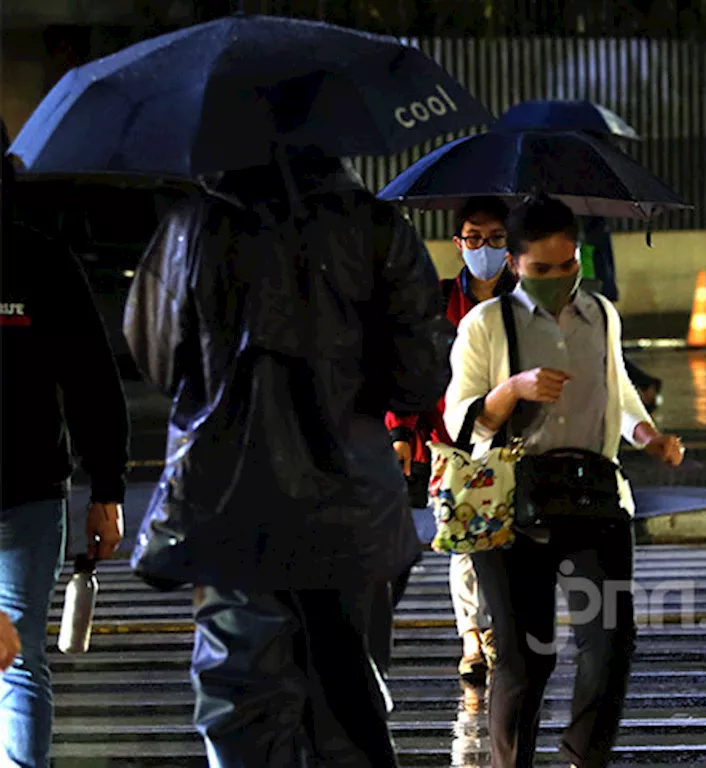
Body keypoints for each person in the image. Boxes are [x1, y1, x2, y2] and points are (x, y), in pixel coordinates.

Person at [124, 153, 455, 765]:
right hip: (355, 508)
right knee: (346, 705)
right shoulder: (376, 226)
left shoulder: (192, 225)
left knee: (242, 703)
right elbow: (419, 376)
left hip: (228, 505)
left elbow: (156, 356)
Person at [444, 194, 685, 768]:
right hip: (509, 506)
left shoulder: (600, 313)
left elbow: (618, 389)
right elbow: (459, 417)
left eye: (568, 265)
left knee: (609, 647)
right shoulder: (485, 324)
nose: (558, 279)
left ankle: (583, 757)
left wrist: (649, 437)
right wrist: (513, 389)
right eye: (541, 269)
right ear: (515, 264)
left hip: (594, 495)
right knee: (527, 660)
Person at [1, 119, 130, 767]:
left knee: (17, 651)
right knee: (18, 654)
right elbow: (92, 384)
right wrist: (105, 491)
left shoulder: (42, 263)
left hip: (29, 492)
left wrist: (106, 488)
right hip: (32, 487)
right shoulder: (43, 259)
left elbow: (90, 383)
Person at [386, 196, 516, 684]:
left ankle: (499, 626)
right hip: (451, 436)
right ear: (459, 243)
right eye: (475, 238)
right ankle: (472, 637)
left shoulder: (525, 299)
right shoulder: (437, 301)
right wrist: (401, 431)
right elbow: (409, 368)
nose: (485, 247)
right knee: (466, 539)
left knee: (505, 538)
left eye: (497, 238)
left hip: (511, 435)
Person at [579, 215, 663, 412]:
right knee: (600, 347)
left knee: (599, 348)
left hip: (588, 289)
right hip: (594, 287)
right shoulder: (592, 218)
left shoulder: (583, 222)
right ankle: (644, 383)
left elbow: (591, 258)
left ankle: (643, 384)